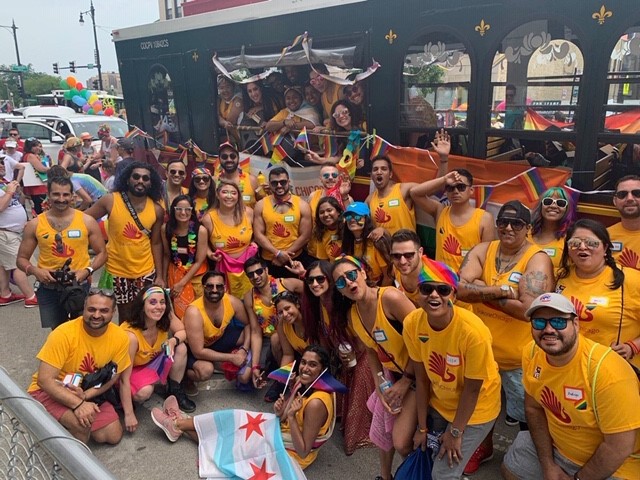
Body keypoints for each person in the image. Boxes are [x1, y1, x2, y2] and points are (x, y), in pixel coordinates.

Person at [456, 200, 554, 473]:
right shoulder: (483, 249)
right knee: (481, 409)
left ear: (527, 228)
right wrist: (502, 291)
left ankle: (530, 464)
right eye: (503, 223)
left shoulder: (537, 258)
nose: (508, 228)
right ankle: (483, 449)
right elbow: (459, 289)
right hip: (481, 353)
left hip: (517, 360)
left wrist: (480, 289)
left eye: (517, 223)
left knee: (527, 417)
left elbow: (527, 310)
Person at [502, 293, 640, 480]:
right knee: (509, 471)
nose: (549, 329)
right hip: (558, 447)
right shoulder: (532, 352)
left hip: (616, 465)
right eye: (539, 322)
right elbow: (533, 409)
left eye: (559, 322)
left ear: (576, 324)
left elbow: (619, 447)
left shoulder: (608, 372)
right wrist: (548, 464)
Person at [150, 345, 336, 470]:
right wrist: (281, 410)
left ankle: (177, 424)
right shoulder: (301, 383)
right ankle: (179, 424)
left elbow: (303, 449)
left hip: (291, 453)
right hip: (281, 433)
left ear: (323, 370)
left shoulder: (316, 403)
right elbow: (282, 417)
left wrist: (292, 418)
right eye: (303, 362)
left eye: (313, 365)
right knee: (234, 418)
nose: (305, 368)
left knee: (233, 440)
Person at [404, 257, 501, 479]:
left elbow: (472, 389)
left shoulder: (473, 332)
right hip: (441, 402)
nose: (434, 295)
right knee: (423, 452)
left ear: (454, 296)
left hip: (477, 408)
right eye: (427, 289)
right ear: (418, 294)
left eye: (443, 290)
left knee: (443, 473)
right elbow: (422, 379)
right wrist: (422, 428)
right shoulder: (412, 323)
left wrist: (455, 432)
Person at [332, 255, 417, 480]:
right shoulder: (353, 315)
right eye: (341, 282)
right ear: (339, 291)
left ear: (363, 273)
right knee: (381, 426)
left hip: (419, 374)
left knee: (401, 442)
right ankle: (385, 476)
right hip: (394, 374)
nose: (349, 283)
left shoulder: (389, 297)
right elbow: (371, 349)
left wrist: (406, 381)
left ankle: (416, 473)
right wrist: (380, 382)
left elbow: (423, 339)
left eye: (351, 275)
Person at [26, 289, 131, 444]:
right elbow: (44, 380)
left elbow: (114, 376)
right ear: (84, 308)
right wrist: (78, 404)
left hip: (85, 390)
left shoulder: (121, 337)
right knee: (81, 424)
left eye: (104, 310)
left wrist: (85, 396)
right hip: (49, 390)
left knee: (112, 435)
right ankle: (71, 463)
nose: (96, 315)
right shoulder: (63, 333)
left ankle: (63, 423)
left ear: (113, 312)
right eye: (91, 309)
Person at [17, 175, 107, 329]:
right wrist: (35, 271)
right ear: (48, 195)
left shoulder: (86, 221)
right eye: (56, 194)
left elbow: (102, 253)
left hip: (79, 285)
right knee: (57, 334)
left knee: (83, 331)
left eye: (66, 194)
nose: (61, 199)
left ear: (73, 196)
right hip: (49, 288)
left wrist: (88, 270)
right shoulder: (35, 224)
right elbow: (21, 259)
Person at [556, 218, 640, 371]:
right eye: (575, 243)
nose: (582, 247)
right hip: (570, 367)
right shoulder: (560, 277)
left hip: (614, 369)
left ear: (605, 247)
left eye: (591, 243)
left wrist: (632, 346)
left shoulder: (632, 280)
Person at [86, 161, 165, 322]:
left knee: (146, 314)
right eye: (136, 177)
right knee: (125, 314)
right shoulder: (110, 200)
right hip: (118, 270)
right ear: (127, 179)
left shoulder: (157, 209)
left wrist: (160, 275)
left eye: (145, 178)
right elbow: (84, 220)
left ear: (151, 183)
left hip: (146, 270)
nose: (140, 181)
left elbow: (156, 243)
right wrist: (98, 245)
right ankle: (126, 345)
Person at [410, 143, 496, 273]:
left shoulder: (484, 218)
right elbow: (415, 193)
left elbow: (487, 258)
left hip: (467, 283)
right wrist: (444, 179)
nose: (455, 191)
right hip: (441, 281)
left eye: (461, 187)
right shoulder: (440, 211)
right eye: (450, 188)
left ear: (471, 190)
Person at [119, 286, 195, 432]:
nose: (158, 307)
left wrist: (173, 341)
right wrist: (129, 414)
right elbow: (123, 378)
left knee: (181, 347)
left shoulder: (164, 317)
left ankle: (174, 389)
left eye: (162, 302)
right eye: (152, 302)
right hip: (130, 370)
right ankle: (126, 399)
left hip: (151, 362)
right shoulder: (131, 336)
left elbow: (182, 331)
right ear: (142, 306)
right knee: (145, 392)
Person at [182, 270, 260, 393]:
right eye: (210, 286)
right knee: (206, 371)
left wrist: (244, 349)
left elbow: (249, 324)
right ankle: (184, 377)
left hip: (218, 339)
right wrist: (232, 358)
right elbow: (198, 351)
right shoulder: (194, 312)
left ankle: (222, 362)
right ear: (203, 287)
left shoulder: (231, 301)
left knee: (248, 333)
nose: (214, 290)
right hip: (193, 349)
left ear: (224, 288)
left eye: (218, 286)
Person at [242, 257, 303, 392]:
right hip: (270, 341)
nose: (256, 276)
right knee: (247, 375)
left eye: (259, 271)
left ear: (266, 270)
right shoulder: (249, 297)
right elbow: (256, 332)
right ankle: (283, 376)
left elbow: (311, 293)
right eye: (251, 274)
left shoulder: (286, 283)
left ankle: (283, 379)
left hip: (295, 331)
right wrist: (255, 366)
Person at [253, 166, 312, 278]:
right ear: (269, 184)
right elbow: (258, 235)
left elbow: (305, 236)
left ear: (288, 182)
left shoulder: (302, 205)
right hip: (269, 260)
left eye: (283, 182)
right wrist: (277, 253)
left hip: (295, 260)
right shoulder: (261, 205)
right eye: (275, 183)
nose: (279, 185)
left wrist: (284, 256)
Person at [201, 179, 256, 298]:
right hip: (223, 270)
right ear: (217, 194)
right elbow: (202, 245)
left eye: (234, 193)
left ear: (238, 196)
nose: (229, 196)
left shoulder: (249, 213)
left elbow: (258, 235)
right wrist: (210, 255)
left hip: (248, 268)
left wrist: (254, 243)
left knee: (250, 300)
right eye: (225, 192)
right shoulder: (208, 219)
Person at [161, 195, 208, 319]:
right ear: (173, 210)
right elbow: (166, 255)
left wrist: (182, 283)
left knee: (197, 312)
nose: (183, 213)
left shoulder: (201, 231)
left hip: (196, 276)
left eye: (187, 209)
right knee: (177, 313)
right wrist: (163, 278)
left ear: (192, 211)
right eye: (179, 209)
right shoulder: (166, 229)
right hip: (174, 274)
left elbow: (199, 261)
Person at [0, 160, 36, 307]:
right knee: (19, 265)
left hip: (12, 232)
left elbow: (16, 201)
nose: (2, 165)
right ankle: (30, 296)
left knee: (3, 265)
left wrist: (17, 190)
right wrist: (9, 192)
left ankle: (5, 294)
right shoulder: (5, 187)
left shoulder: (4, 182)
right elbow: (1, 206)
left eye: (2, 162)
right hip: (5, 233)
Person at [340, 202, 392, 285]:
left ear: (366, 219)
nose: (352, 220)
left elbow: (388, 276)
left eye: (357, 216)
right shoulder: (347, 243)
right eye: (349, 217)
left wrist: (378, 295)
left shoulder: (376, 242)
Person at [366, 155, 417, 237]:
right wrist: (345, 197)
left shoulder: (403, 190)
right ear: (371, 176)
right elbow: (355, 219)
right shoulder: (369, 199)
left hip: (405, 247)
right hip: (382, 248)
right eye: (375, 169)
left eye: (384, 169)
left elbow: (432, 190)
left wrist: (443, 161)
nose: (379, 172)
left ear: (390, 174)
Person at [530, 187, 576, 270]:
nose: (553, 206)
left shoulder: (571, 238)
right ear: (540, 206)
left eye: (560, 203)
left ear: (567, 209)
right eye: (548, 202)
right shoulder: (525, 233)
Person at [216, 142, 263, 208]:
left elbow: (263, 204)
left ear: (238, 158)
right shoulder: (214, 181)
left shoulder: (252, 180)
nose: (229, 159)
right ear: (219, 159)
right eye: (224, 157)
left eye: (232, 156)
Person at [608, 174, 640, 269]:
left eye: (637, 193)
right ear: (615, 201)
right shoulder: (604, 237)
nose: (629, 198)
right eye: (622, 194)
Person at [389, 229, 424, 306]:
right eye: (396, 256)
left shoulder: (435, 277)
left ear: (420, 252)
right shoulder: (395, 268)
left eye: (409, 255)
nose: (402, 262)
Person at [21, 137, 51, 214]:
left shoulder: (29, 155)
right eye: (34, 146)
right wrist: (52, 169)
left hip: (35, 186)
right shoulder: (30, 156)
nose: (38, 148)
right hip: (37, 187)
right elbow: (41, 169)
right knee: (41, 209)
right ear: (29, 147)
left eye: (38, 145)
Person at [310, 196, 344, 261]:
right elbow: (324, 261)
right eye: (321, 212)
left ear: (338, 212)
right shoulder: (320, 233)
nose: (325, 214)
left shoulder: (348, 228)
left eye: (329, 210)